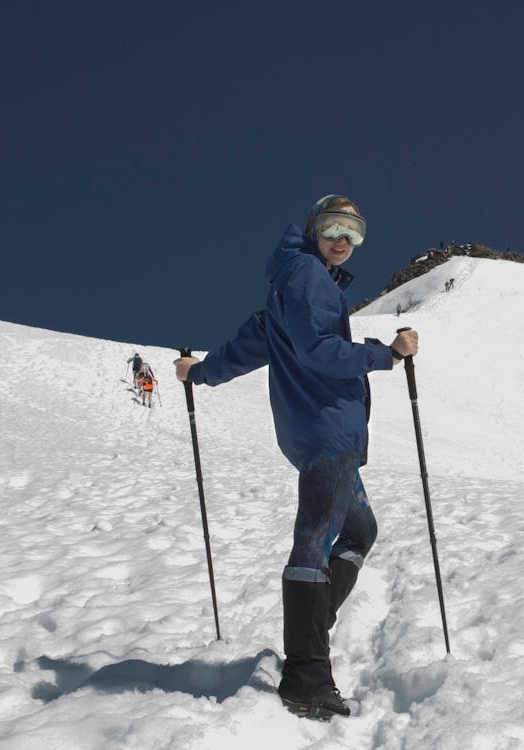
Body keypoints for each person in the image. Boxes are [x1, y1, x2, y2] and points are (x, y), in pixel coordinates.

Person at [172, 194, 418, 720]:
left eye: (354, 233)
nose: (343, 241)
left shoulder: (294, 281)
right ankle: (306, 678)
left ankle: (311, 622)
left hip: (324, 434)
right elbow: (319, 352)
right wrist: (387, 354)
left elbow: (249, 345)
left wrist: (201, 371)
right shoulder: (307, 277)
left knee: (359, 532)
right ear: (312, 229)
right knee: (315, 537)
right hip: (326, 429)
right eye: (333, 227)